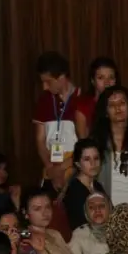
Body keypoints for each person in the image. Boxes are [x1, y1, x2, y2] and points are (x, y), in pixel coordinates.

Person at [33, 51, 81, 190]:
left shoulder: (81, 99)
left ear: (62, 77)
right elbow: (40, 140)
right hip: (51, 167)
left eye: (48, 82)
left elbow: (86, 143)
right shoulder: (44, 100)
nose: (44, 87)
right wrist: (50, 167)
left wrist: (63, 167)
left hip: (75, 167)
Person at [61, 138, 105, 231]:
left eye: (96, 158)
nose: (93, 163)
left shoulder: (97, 186)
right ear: (78, 164)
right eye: (87, 159)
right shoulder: (74, 190)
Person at [72, 56, 119, 136]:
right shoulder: (83, 106)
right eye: (101, 78)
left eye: (111, 78)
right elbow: (84, 141)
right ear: (93, 81)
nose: (107, 83)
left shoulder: (121, 104)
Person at [68, 190, 111, 254]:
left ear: (109, 209)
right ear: (86, 212)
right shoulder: (80, 234)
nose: (97, 210)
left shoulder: (120, 229)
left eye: (102, 206)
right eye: (91, 207)